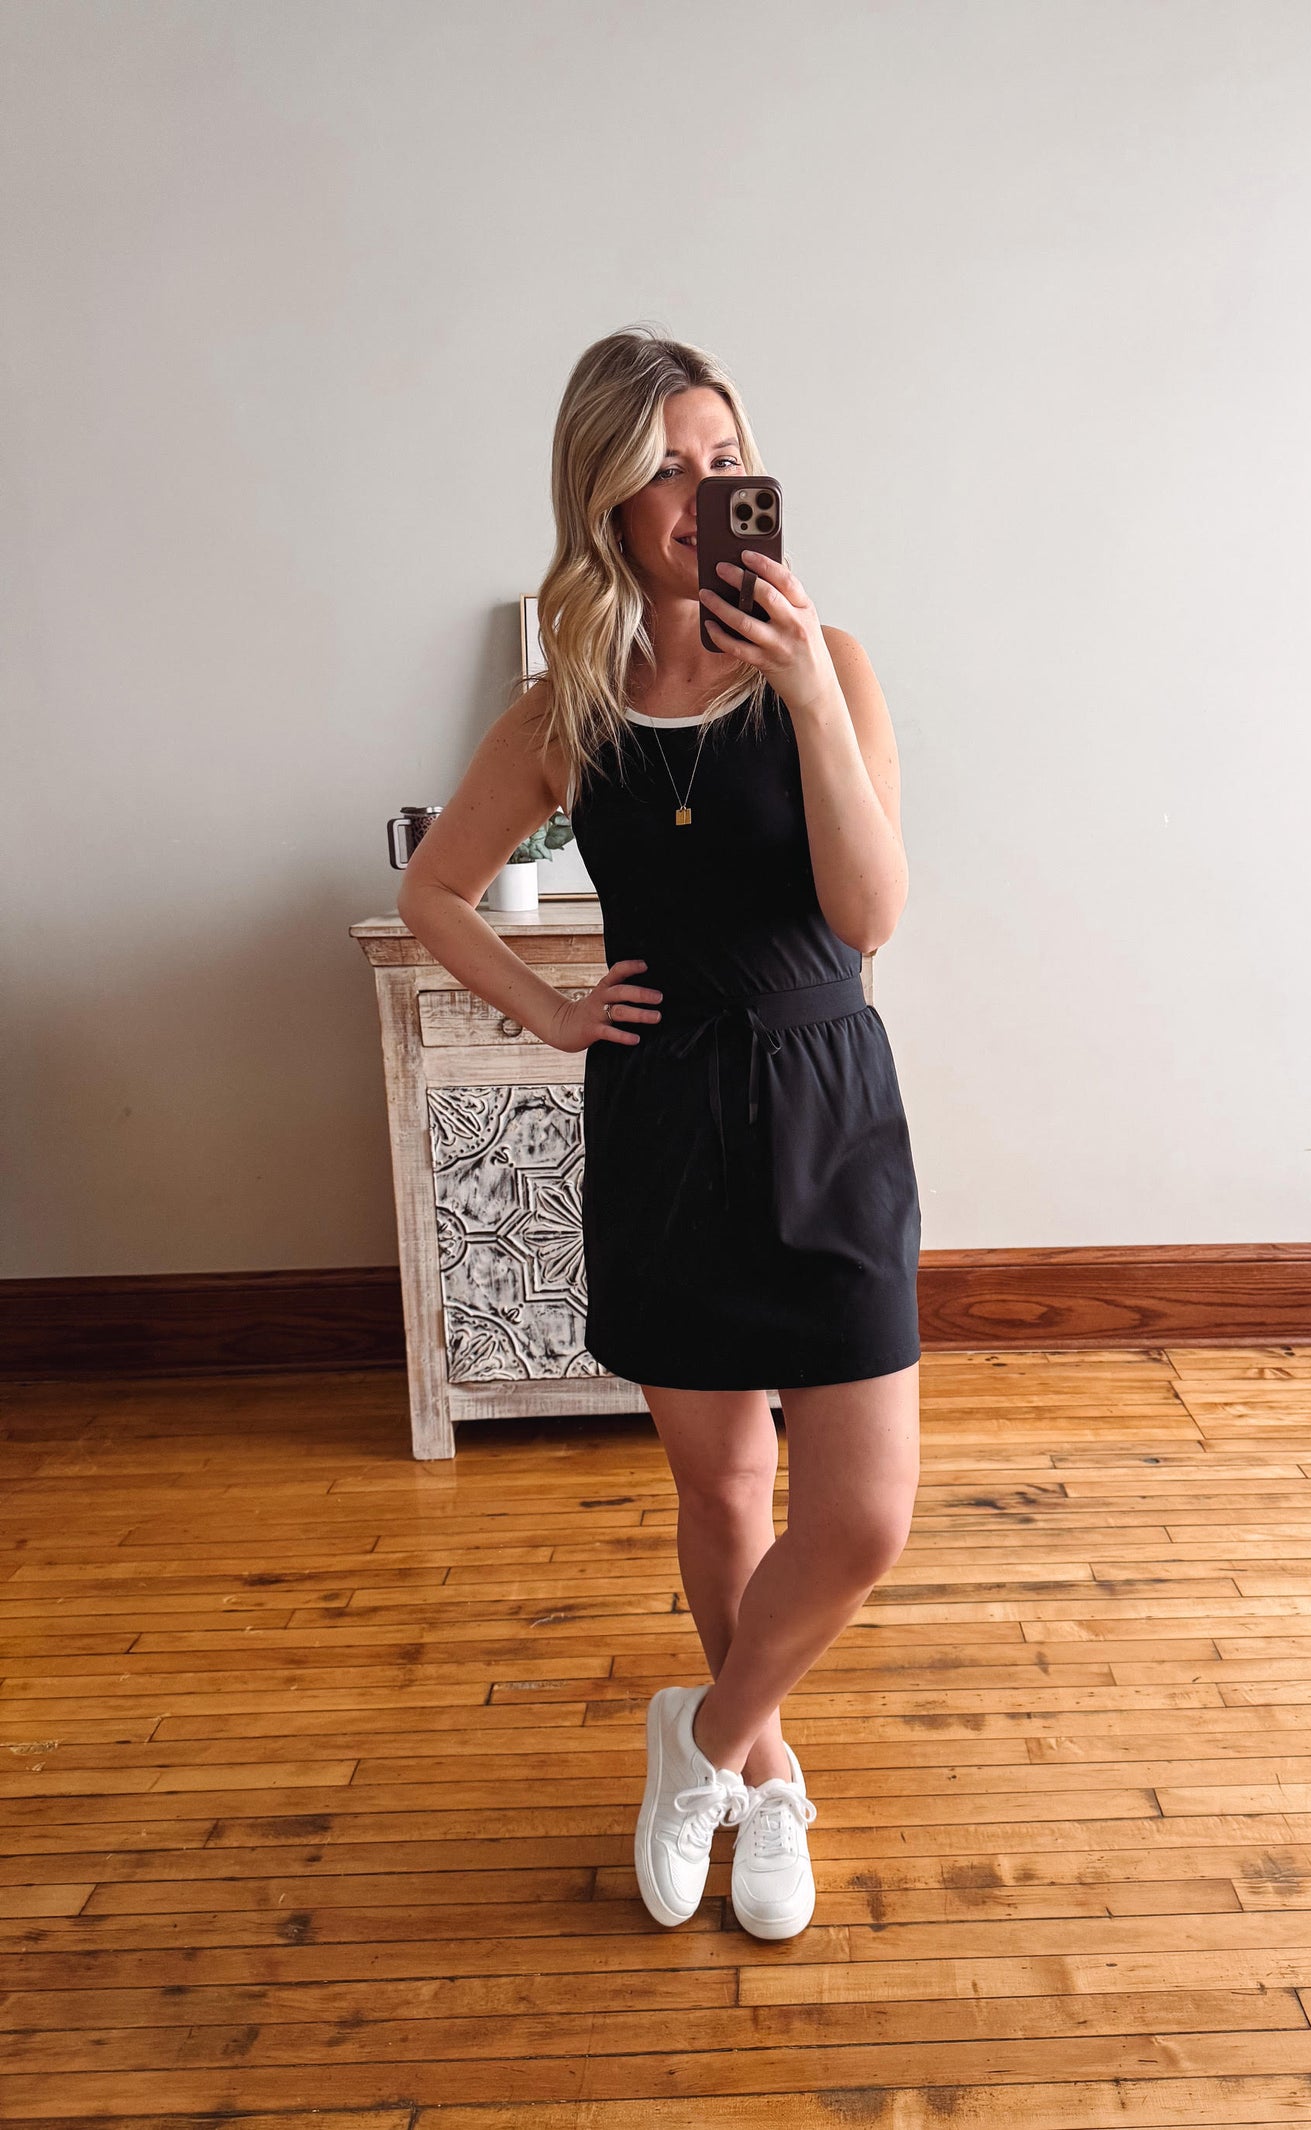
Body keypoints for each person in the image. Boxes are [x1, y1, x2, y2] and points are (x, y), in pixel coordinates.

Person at [396, 324, 922, 1942]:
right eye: (667, 471)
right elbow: (434, 890)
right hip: (666, 1118)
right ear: (610, 503)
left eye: (724, 460)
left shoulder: (830, 662)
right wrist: (553, 1013)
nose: (704, 495)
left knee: (862, 1517)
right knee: (725, 1490)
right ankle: (764, 1777)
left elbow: (870, 914)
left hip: (824, 1103)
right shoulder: (569, 707)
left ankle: (693, 1737)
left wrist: (804, 693)